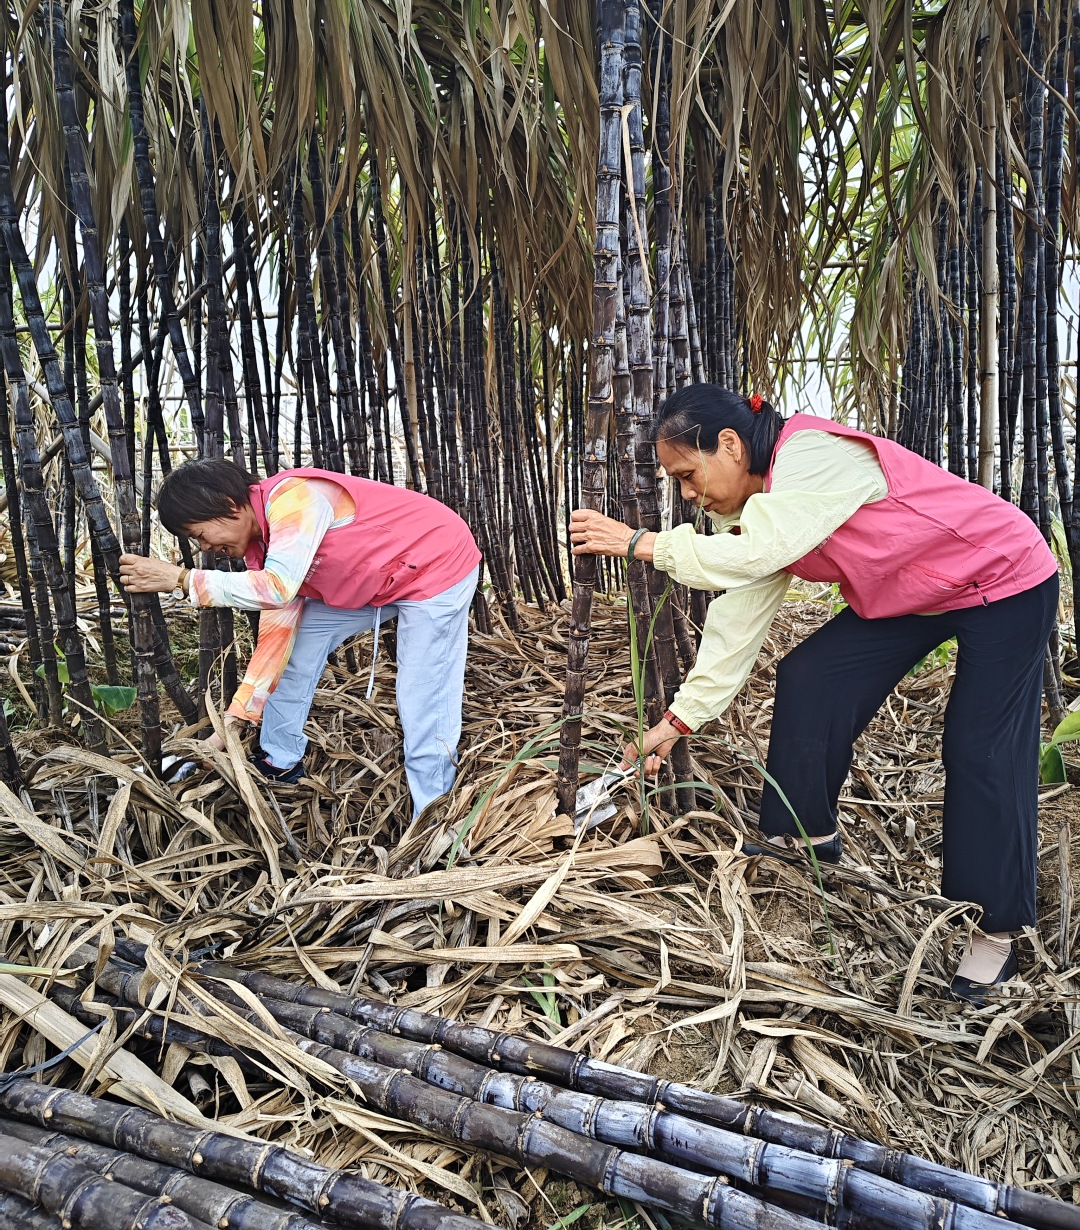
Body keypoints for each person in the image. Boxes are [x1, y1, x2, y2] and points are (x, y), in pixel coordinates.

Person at [569, 385, 1059, 1003]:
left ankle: (997, 926)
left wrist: (641, 544)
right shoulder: (757, 505)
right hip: (910, 587)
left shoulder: (813, 456)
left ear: (728, 444)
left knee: (981, 748)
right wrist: (677, 720)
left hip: (1000, 576)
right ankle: (804, 832)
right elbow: (739, 616)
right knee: (811, 676)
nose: (689, 495)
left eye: (689, 476)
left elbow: (756, 552)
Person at [118, 460, 481, 817]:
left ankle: (432, 809)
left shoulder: (296, 499)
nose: (205, 547)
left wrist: (182, 580)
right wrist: (228, 729)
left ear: (229, 506)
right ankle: (279, 760)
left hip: (437, 566)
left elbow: (276, 589)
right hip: (380, 579)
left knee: (423, 691)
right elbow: (273, 645)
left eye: (199, 534)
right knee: (293, 651)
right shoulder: (263, 550)